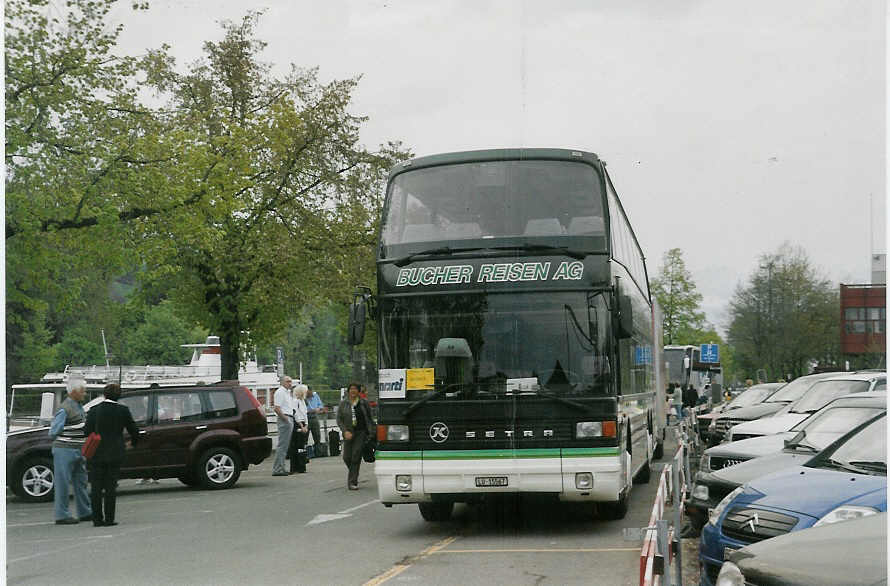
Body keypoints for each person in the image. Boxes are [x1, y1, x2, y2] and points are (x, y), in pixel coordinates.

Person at [84, 384, 139, 527]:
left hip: (96, 452)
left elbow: (86, 431)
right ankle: (109, 518)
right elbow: (134, 430)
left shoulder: (94, 410)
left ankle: (97, 519)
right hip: (115, 452)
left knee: (96, 488)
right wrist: (132, 443)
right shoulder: (123, 410)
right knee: (110, 487)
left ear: (104, 395)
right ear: (119, 396)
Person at [49, 377, 93, 524]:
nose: (85, 393)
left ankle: (85, 512)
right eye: (83, 391)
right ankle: (62, 515)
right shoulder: (64, 408)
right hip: (65, 449)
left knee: (81, 481)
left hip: (78, 449)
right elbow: (54, 430)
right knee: (63, 482)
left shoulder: (79, 406)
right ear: (74, 391)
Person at [336, 382, 375, 490]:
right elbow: (339, 419)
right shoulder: (343, 403)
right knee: (347, 457)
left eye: (355, 389)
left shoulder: (363, 403)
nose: (353, 391)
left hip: (361, 432)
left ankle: (352, 482)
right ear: (348, 391)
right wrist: (344, 431)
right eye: (351, 389)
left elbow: (370, 418)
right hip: (348, 432)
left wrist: (372, 432)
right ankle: (354, 472)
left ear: (358, 391)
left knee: (356, 455)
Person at [272, 376, 295, 476]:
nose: (290, 383)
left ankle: (280, 467)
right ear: (282, 382)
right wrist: (285, 418)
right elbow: (277, 408)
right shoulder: (280, 392)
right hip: (285, 418)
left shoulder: (287, 393)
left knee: (285, 445)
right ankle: (278, 469)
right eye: (287, 381)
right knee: (282, 445)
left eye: (290, 381)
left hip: (288, 417)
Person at [289, 385, 310, 474]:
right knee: (295, 446)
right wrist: (301, 425)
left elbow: (305, 414)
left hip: (304, 424)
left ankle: (302, 466)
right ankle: (294, 467)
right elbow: (296, 414)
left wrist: (307, 425)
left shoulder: (303, 401)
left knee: (302, 446)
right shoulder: (295, 401)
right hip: (298, 424)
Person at [304, 386, 325, 457]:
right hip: (306, 417)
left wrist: (319, 408)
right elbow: (302, 409)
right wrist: (311, 410)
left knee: (317, 436)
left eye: (311, 392)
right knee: (305, 437)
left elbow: (320, 405)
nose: (311, 394)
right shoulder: (303, 398)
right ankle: (305, 453)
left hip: (315, 417)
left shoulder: (315, 395)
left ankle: (318, 453)